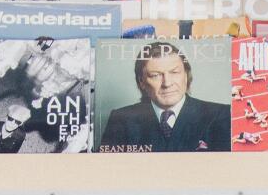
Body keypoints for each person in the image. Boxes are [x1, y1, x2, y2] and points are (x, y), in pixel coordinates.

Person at [98, 40, 230, 153]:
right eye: (155, 75)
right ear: (141, 82)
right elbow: (106, 170)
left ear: (186, 75)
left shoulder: (221, 115)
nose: (167, 83)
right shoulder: (121, 119)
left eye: (174, 72)